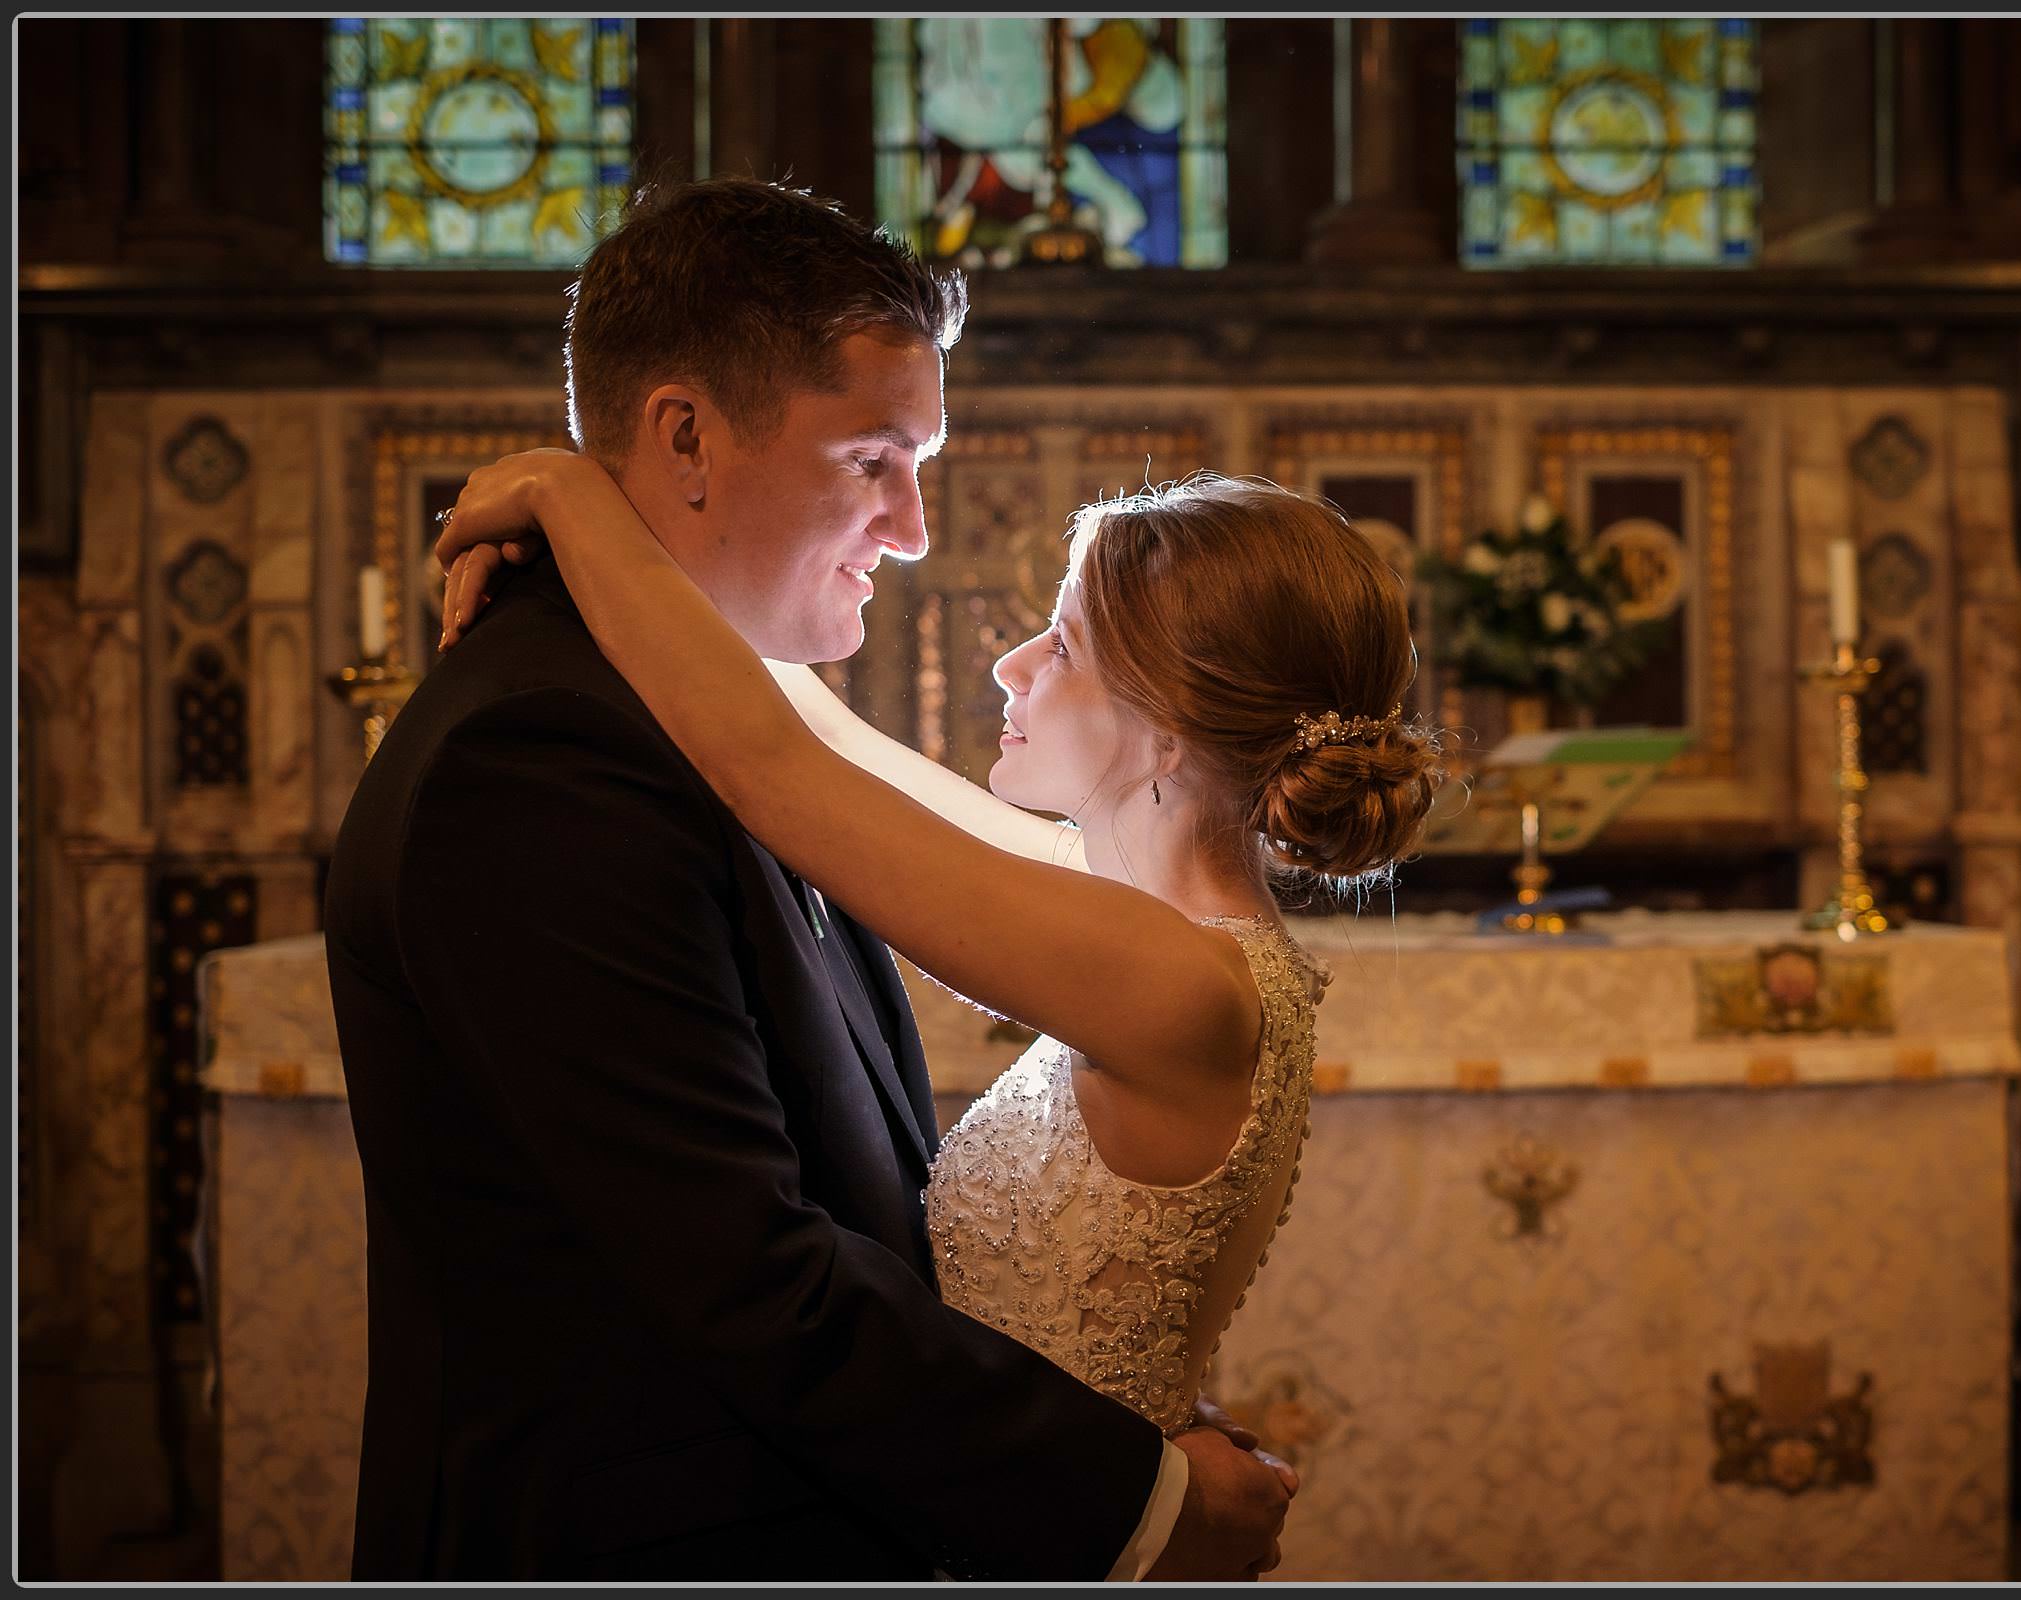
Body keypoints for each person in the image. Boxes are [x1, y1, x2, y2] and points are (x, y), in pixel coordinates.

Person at [321, 177, 1300, 1582]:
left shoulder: (714, 730)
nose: (912, 527)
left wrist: (562, 493)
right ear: (687, 439)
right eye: (873, 460)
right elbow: (743, 1276)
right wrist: (1132, 1498)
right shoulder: (542, 760)